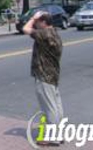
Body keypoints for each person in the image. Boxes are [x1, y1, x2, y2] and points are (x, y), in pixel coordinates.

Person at [23, 11, 63, 144]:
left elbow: (26, 29)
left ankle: (52, 137)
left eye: (38, 21)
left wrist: (32, 18)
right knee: (56, 106)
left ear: (44, 22)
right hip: (53, 74)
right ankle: (59, 133)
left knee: (49, 108)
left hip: (44, 75)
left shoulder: (43, 34)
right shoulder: (54, 32)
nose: (36, 23)